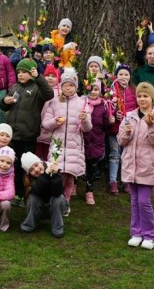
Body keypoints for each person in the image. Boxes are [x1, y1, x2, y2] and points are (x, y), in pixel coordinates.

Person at [117, 83, 154, 250]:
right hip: (131, 165)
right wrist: (126, 132)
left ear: (152, 98)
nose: (142, 99)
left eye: (145, 96)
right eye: (139, 96)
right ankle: (136, 232)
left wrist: (151, 126)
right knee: (134, 201)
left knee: (143, 201)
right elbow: (121, 140)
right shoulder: (130, 116)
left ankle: (149, 234)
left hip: (148, 165)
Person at [1, 58, 54, 205]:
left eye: (24, 72)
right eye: (18, 72)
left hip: (28, 135)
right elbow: (5, 107)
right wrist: (4, 102)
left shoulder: (37, 88)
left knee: (27, 168)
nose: (20, 74)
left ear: (32, 72)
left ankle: (28, 195)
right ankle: (15, 193)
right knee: (13, 165)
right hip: (13, 135)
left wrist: (38, 77)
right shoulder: (14, 87)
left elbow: (49, 93)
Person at [41, 68, 92, 216]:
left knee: (70, 177)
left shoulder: (82, 103)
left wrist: (85, 119)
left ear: (76, 87)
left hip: (74, 146)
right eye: (65, 85)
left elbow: (87, 129)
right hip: (58, 146)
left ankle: (65, 202)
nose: (68, 87)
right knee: (57, 177)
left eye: (71, 85)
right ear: (61, 86)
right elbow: (45, 124)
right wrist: (55, 122)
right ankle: (55, 201)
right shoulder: (55, 102)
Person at [107, 63, 138, 195]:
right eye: (120, 74)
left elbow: (138, 109)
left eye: (126, 74)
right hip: (114, 129)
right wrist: (114, 114)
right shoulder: (111, 90)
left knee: (127, 156)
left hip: (129, 129)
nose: (123, 77)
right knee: (115, 155)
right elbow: (107, 107)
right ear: (116, 76)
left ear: (130, 76)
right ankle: (113, 181)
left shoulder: (134, 90)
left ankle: (126, 180)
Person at [19, 151, 65, 238]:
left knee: (59, 198)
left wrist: (55, 176)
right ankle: (30, 224)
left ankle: (57, 228)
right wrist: (45, 175)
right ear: (29, 173)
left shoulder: (53, 169)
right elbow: (37, 189)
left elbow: (57, 192)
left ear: (41, 162)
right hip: (40, 208)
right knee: (32, 198)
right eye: (31, 170)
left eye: (36, 165)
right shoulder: (29, 180)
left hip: (54, 207)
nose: (36, 170)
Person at [82, 78, 109, 205]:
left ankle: (89, 190)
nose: (93, 92)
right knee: (80, 163)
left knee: (92, 166)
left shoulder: (104, 105)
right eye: (91, 88)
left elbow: (106, 127)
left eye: (96, 89)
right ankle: (73, 185)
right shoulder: (82, 102)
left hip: (96, 140)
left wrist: (110, 120)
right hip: (82, 139)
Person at [35, 65, 60, 161]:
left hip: (51, 130)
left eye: (53, 76)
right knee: (36, 156)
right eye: (47, 75)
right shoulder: (38, 89)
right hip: (38, 129)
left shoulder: (60, 93)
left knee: (49, 157)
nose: (50, 78)